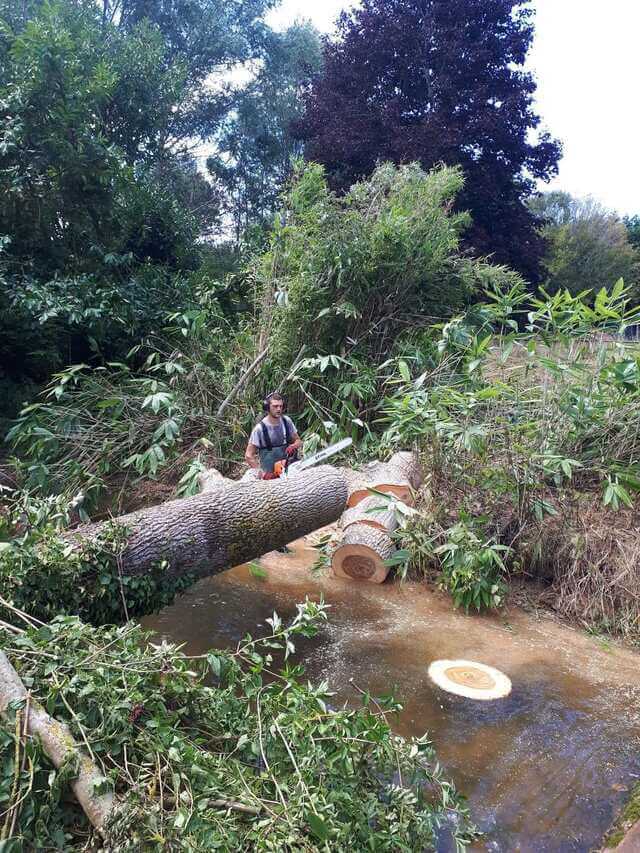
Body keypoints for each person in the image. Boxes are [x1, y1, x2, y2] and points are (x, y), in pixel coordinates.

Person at [245, 392, 302, 480]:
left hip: (289, 472)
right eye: (275, 406)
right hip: (270, 475)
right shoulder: (260, 429)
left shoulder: (287, 422)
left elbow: (298, 441)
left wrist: (293, 446)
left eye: (281, 406)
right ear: (267, 407)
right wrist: (262, 474)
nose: (279, 409)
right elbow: (249, 455)